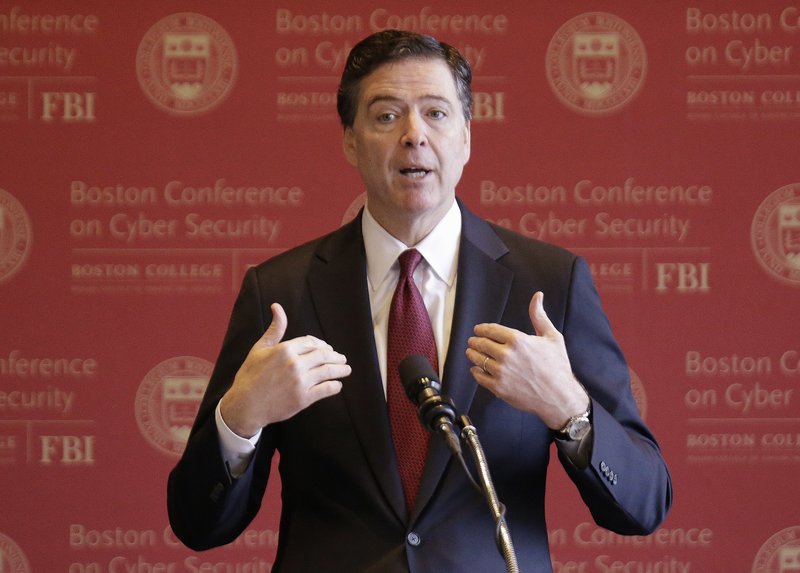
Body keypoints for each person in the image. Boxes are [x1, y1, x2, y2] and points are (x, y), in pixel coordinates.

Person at [167, 30, 672, 572]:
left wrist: (569, 409)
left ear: (467, 137)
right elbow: (199, 523)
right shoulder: (281, 293)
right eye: (387, 116)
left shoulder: (548, 283)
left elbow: (643, 505)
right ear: (351, 141)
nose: (415, 136)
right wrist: (241, 418)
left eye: (436, 113)